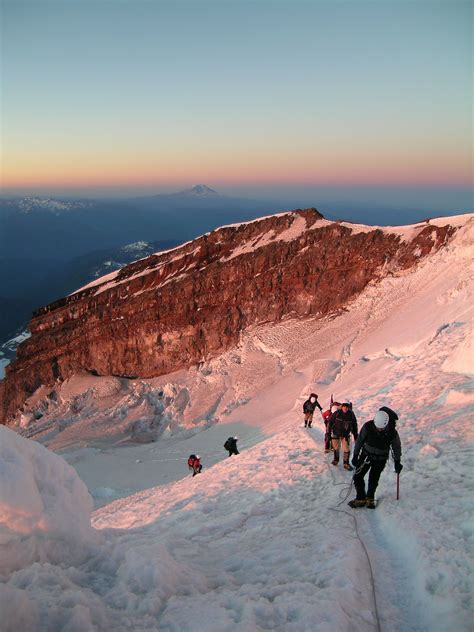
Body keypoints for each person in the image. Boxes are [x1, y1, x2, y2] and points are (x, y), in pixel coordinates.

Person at [348, 406, 402, 509]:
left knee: (373, 478)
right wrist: (355, 455)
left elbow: (396, 447)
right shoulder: (368, 426)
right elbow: (360, 440)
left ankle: (370, 499)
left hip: (380, 460)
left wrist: (397, 462)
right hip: (366, 457)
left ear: (387, 424)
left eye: (382, 428)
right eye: (377, 427)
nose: (379, 429)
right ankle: (360, 498)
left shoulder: (392, 432)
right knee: (357, 476)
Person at [327, 399, 358, 470]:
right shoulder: (337, 413)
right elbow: (330, 422)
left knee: (346, 449)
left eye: (347, 406)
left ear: (349, 407)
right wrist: (328, 433)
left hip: (345, 435)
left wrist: (355, 435)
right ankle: (336, 460)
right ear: (341, 406)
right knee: (336, 447)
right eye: (344, 406)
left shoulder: (351, 414)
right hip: (335, 433)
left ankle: (346, 463)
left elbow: (354, 425)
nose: (345, 408)